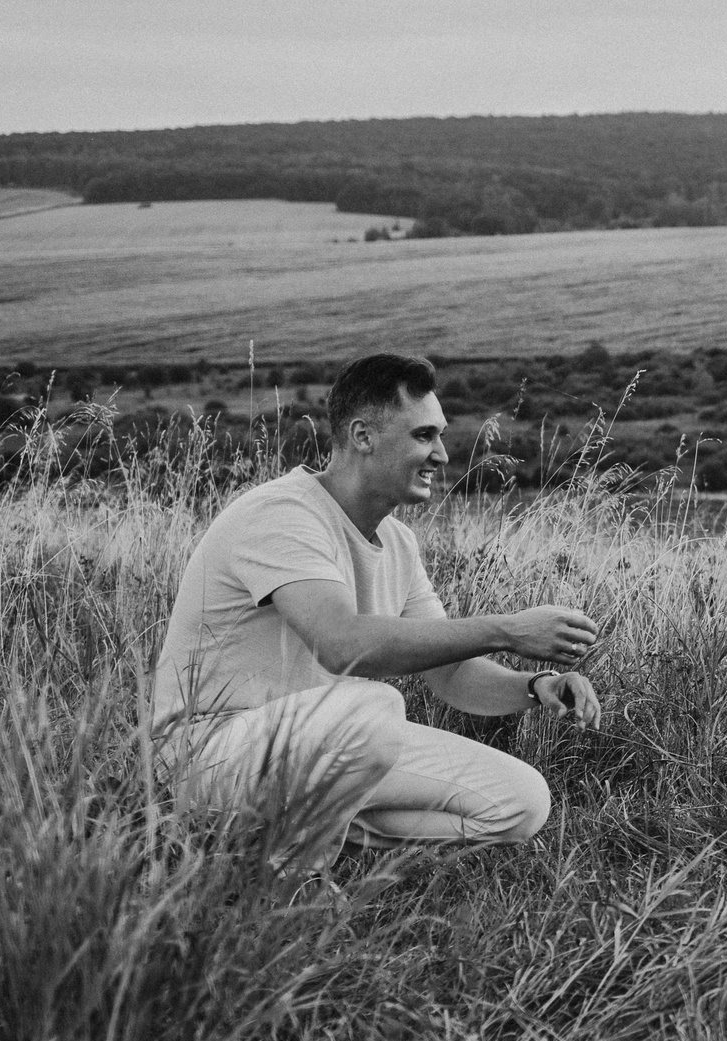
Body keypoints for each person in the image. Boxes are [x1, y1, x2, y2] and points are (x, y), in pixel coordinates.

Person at [153, 353, 604, 862]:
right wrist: (507, 630)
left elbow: (453, 676)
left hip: (325, 753)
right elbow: (342, 644)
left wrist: (535, 687)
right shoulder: (282, 514)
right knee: (374, 707)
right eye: (423, 436)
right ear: (363, 436)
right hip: (208, 754)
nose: (441, 454)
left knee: (522, 802)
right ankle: (295, 878)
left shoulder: (399, 543)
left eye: (439, 436)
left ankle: (305, 829)